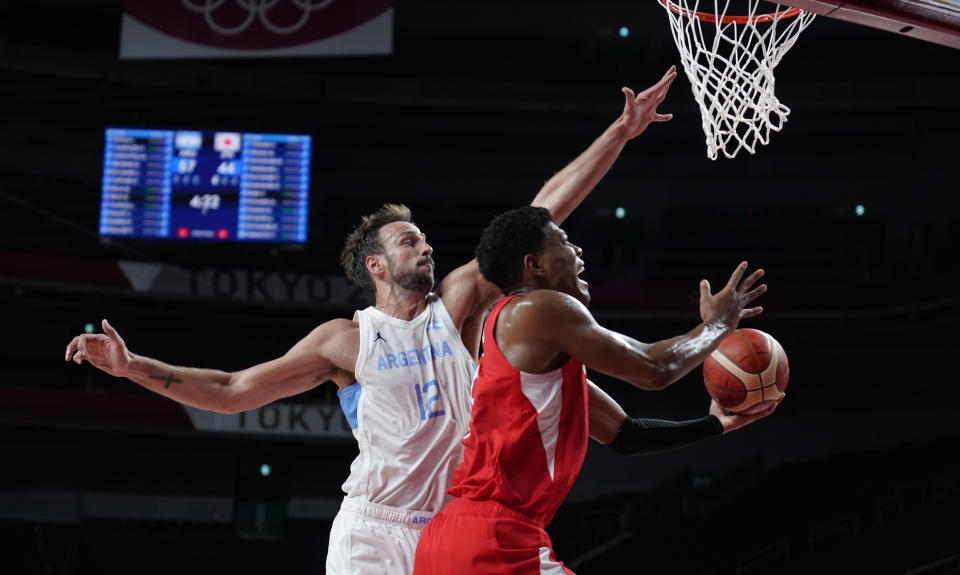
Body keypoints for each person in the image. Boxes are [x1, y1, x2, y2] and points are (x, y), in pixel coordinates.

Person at [64, 68, 683, 575]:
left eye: (425, 239)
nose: (426, 248)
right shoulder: (347, 338)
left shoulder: (459, 306)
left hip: (450, 532)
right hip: (371, 535)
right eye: (409, 241)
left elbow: (539, 214)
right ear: (376, 265)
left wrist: (620, 135)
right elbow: (232, 391)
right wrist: (131, 366)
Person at [411, 206, 774, 575]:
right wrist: (717, 326)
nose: (578, 252)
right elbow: (653, 369)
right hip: (493, 540)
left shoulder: (530, 360)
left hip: (450, 540)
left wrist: (715, 425)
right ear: (535, 266)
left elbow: (626, 435)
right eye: (564, 242)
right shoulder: (539, 307)